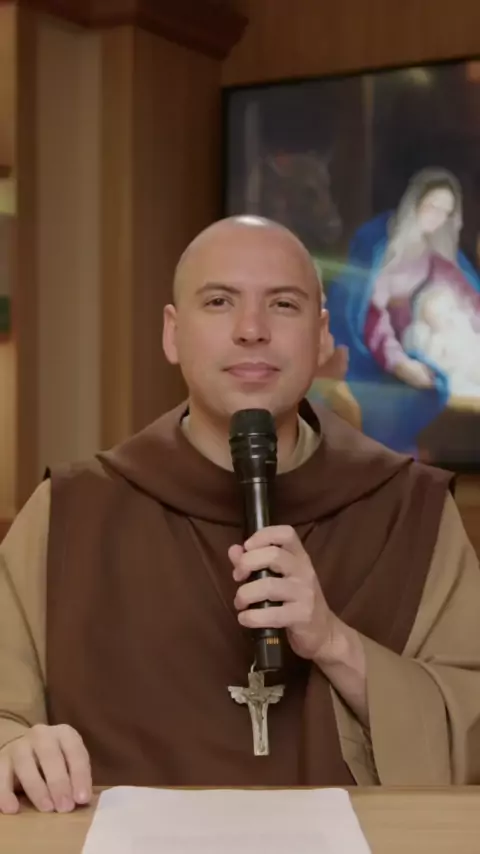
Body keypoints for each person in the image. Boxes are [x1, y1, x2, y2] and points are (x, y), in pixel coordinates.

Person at [1, 215, 480, 816]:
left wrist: (335, 644)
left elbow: (471, 727)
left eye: (283, 304)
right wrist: (14, 747)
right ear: (173, 333)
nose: (252, 330)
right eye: (219, 301)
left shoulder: (412, 513)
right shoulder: (69, 513)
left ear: (321, 336)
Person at [327, 168, 480, 452]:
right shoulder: (379, 243)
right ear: (415, 202)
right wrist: (399, 362)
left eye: (445, 212)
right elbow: (371, 314)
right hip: (373, 342)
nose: (437, 218)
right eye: (432, 207)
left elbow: (465, 290)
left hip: (411, 334)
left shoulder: (433, 248)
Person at [402, 284, 480, 397]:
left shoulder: (459, 322)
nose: (449, 318)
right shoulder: (434, 339)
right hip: (459, 370)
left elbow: (472, 339)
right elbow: (434, 364)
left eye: (451, 309)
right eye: (438, 315)